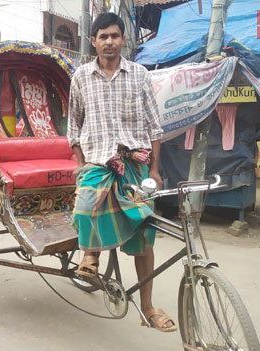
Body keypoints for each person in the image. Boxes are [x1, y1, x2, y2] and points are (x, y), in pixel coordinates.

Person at [68, 12, 174, 333]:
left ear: (123, 39)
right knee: (85, 209)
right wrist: (80, 165)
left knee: (144, 236)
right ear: (94, 41)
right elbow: (74, 127)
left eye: (114, 36)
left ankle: (147, 308)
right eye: (103, 37)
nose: (109, 42)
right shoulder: (81, 77)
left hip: (135, 164)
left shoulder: (140, 75)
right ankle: (91, 255)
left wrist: (154, 170)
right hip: (98, 163)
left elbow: (155, 126)